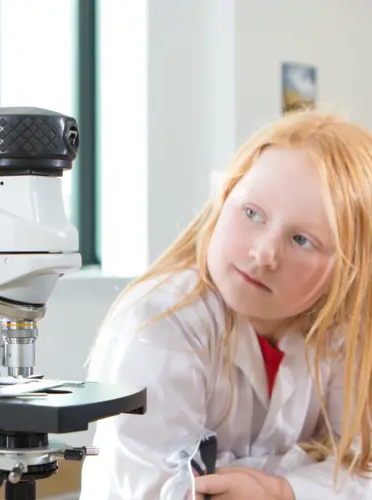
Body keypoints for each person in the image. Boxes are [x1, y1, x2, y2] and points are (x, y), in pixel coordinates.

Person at [79, 111, 372, 499]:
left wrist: (281, 491)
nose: (264, 252)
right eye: (252, 213)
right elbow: (154, 492)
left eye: (302, 240)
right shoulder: (162, 319)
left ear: (349, 269)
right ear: (223, 198)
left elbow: (360, 467)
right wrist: (306, 474)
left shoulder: (340, 331)